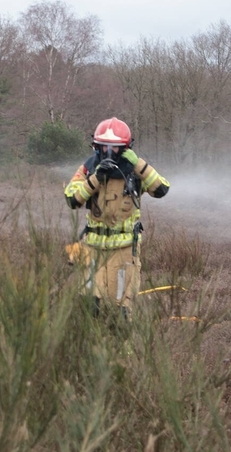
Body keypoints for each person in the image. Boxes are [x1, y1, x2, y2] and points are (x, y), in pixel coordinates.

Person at [63, 117, 169, 318]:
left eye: (116, 147)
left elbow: (161, 189)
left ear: (126, 148)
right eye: (104, 147)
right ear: (97, 146)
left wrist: (137, 164)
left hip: (124, 249)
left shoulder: (135, 171)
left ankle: (121, 346)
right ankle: (89, 345)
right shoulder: (88, 169)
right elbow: (72, 199)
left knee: (120, 309)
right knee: (89, 305)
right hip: (93, 248)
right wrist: (95, 179)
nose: (109, 152)